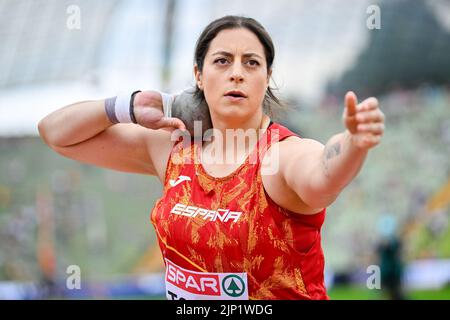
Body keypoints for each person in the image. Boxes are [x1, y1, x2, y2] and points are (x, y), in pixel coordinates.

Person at [38, 15, 385, 300]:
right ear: (199, 76)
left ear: (267, 79)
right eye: (222, 61)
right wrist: (127, 106)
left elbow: (324, 175)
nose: (237, 72)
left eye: (251, 63)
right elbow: (56, 133)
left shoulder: (281, 156)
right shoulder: (172, 147)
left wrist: (354, 143)